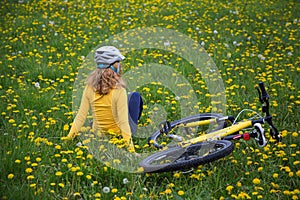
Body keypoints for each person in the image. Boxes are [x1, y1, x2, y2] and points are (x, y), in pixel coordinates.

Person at [66, 46, 143, 152]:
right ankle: (132, 130)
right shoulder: (119, 89)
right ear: (114, 65)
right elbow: (123, 122)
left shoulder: (89, 87)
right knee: (135, 96)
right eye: (119, 62)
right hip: (117, 134)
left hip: (98, 133)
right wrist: (131, 150)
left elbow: (80, 117)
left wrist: (68, 140)